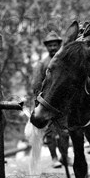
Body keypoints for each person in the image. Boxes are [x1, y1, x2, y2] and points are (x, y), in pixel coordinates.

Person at [31, 31, 69, 168]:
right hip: (46, 104)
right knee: (50, 133)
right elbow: (36, 85)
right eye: (50, 45)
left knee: (64, 132)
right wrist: (38, 104)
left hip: (62, 105)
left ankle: (65, 156)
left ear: (59, 45)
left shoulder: (64, 62)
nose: (53, 48)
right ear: (46, 47)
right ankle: (54, 158)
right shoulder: (42, 64)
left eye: (55, 45)